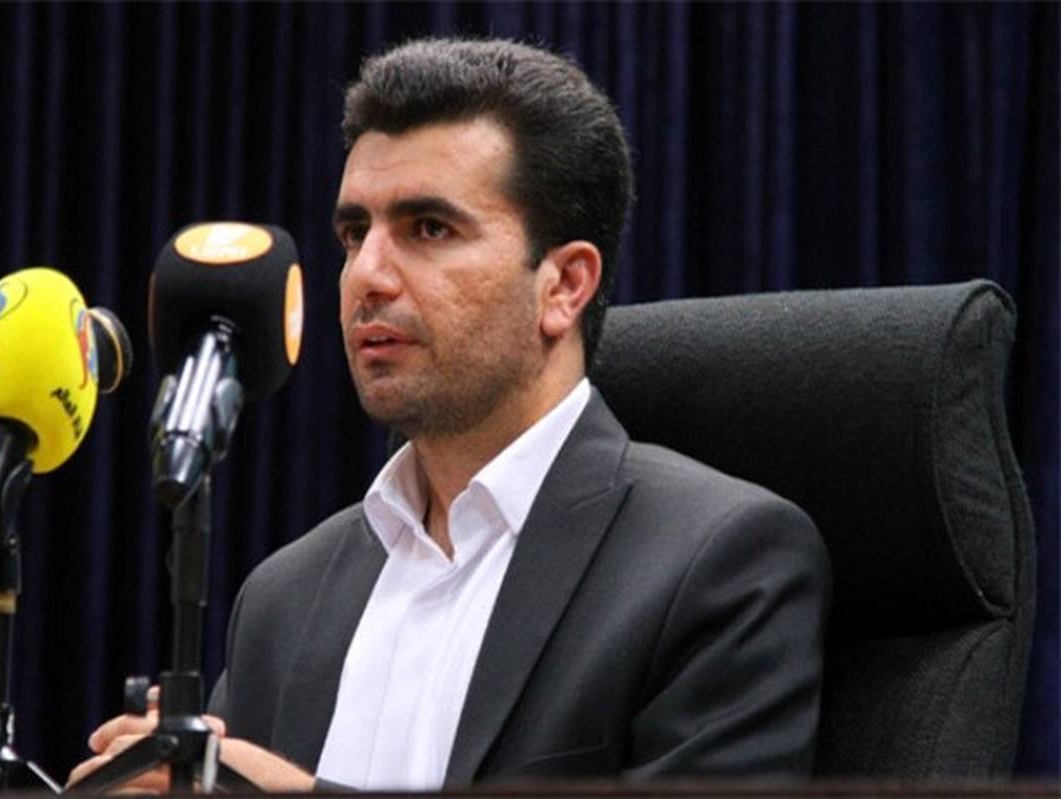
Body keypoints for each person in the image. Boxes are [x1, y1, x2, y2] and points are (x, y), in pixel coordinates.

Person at [69, 37, 830, 792]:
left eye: (429, 229)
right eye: (354, 233)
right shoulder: (283, 598)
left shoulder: (718, 563)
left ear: (565, 285)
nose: (367, 275)